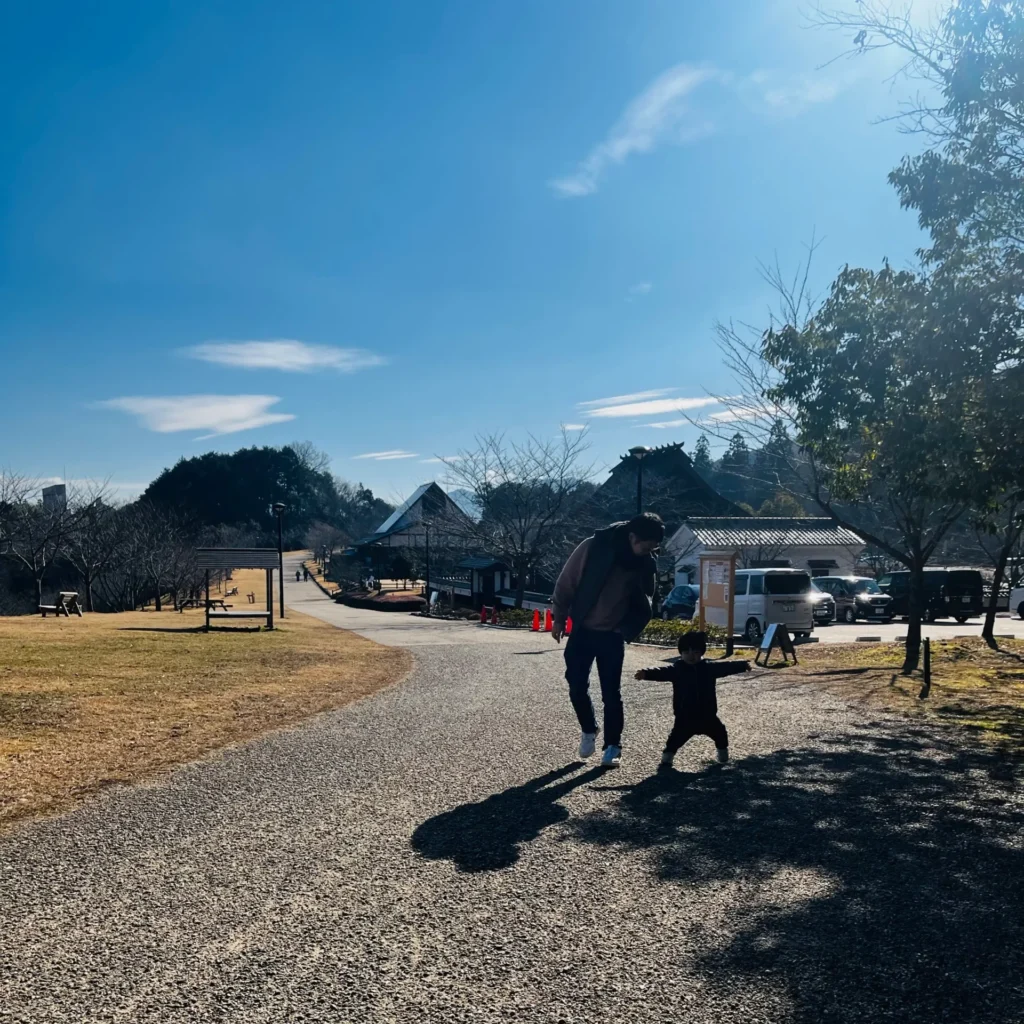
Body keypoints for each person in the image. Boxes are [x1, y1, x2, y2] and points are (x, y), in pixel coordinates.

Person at [552, 512, 665, 768]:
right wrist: (559, 617)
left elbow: (646, 601)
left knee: (611, 693)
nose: (647, 552)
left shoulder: (646, 562)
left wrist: (625, 631)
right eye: (645, 546)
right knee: (576, 685)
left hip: (613, 635)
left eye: (652, 548)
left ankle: (613, 746)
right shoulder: (594, 546)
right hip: (583, 630)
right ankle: (589, 729)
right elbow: (566, 582)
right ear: (632, 536)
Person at [633, 630, 750, 769]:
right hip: (685, 717)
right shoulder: (677, 669)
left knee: (720, 734)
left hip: (708, 715)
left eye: (695, 652)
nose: (691, 656)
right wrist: (646, 673)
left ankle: (723, 755)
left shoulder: (709, 668)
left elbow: (726, 667)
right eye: (686, 652)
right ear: (680, 654)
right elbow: (661, 672)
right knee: (674, 740)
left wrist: (742, 665)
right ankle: (666, 758)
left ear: (701, 653)